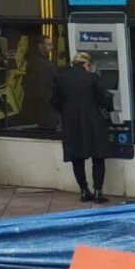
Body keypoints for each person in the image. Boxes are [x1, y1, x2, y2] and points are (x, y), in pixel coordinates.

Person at [51, 51, 113, 203]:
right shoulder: (91, 77)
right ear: (87, 64)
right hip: (93, 121)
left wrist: (66, 111)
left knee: (76, 158)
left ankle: (84, 191)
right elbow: (104, 97)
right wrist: (110, 108)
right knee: (98, 157)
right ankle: (98, 192)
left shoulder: (61, 77)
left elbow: (54, 101)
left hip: (71, 123)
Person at [23, 34, 59, 131]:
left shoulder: (35, 62)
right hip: (45, 106)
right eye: (48, 44)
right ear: (40, 46)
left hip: (42, 105)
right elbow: (42, 86)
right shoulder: (42, 64)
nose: (52, 47)